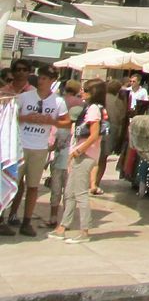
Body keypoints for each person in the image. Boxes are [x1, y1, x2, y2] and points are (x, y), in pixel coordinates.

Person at [11, 65, 70, 236]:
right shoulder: (24, 97)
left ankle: (27, 221)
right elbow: (10, 115)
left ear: (52, 81)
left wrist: (52, 122)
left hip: (40, 147)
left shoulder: (58, 101)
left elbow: (66, 122)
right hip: (21, 144)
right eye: (40, 77)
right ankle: (4, 217)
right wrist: (26, 118)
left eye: (45, 78)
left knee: (33, 186)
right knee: (13, 183)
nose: (41, 81)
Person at [51, 80, 105, 244]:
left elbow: (94, 135)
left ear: (93, 92)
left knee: (80, 193)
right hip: (80, 154)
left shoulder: (94, 109)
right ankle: (63, 227)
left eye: (86, 89)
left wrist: (78, 151)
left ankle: (84, 230)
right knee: (69, 192)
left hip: (85, 155)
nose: (82, 91)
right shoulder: (89, 107)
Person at [47, 79, 85, 228]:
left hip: (59, 159)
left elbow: (52, 142)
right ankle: (66, 220)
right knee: (69, 192)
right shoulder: (81, 105)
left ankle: (53, 217)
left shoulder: (59, 101)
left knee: (56, 190)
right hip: (71, 162)